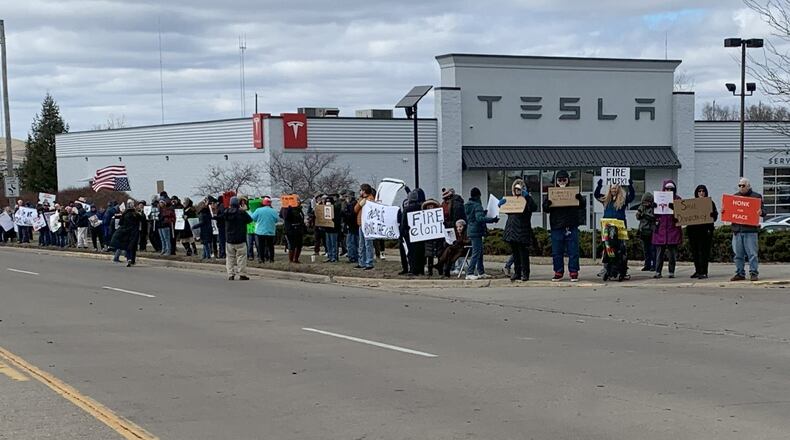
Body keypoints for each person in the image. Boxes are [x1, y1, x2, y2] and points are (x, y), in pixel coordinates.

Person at [542, 170, 584, 282]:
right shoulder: (552, 193)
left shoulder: (573, 192)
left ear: (568, 180)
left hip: (571, 225)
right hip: (557, 226)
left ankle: (573, 272)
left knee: (573, 251)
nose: (562, 182)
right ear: (556, 181)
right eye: (559, 180)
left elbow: (582, 206)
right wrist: (547, 204)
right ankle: (558, 272)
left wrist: (580, 199)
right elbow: (545, 209)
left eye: (564, 179)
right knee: (557, 251)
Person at [723, 177, 766, 281]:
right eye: (739, 185)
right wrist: (724, 211)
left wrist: (761, 212)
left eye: (743, 185)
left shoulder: (756, 197)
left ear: (748, 186)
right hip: (737, 231)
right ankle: (740, 273)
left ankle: (753, 273)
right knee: (738, 255)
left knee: (752, 254)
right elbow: (730, 212)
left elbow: (764, 212)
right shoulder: (735, 197)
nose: (741, 187)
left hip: (750, 231)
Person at [595, 177, 635, 278]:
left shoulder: (623, 200)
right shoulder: (606, 200)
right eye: (612, 188)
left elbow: (632, 197)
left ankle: (622, 269)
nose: (614, 190)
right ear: (609, 189)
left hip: (619, 228)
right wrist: (599, 185)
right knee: (607, 248)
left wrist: (630, 186)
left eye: (616, 188)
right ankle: (606, 268)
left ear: (619, 188)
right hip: (607, 227)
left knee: (621, 248)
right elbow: (596, 195)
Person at [504, 179, 538, 282]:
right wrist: (501, 205)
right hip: (512, 230)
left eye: (520, 189)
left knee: (523, 254)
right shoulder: (511, 200)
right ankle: (517, 273)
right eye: (516, 189)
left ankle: (525, 273)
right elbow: (507, 211)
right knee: (515, 254)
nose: (517, 191)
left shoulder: (527, 200)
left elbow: (533, 207)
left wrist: (527, 197)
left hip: (522, 229)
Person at [464, 187, 499, 280]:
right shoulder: (477, 205)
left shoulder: (468, 205)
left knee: (479, 252)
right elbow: (479, 219)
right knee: (476, 252)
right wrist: (492, 220)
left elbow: (473, 216)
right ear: (478, 196)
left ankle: (481, 272)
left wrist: (483, 212)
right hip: (477, 231)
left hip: (471, 230)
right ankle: (470, 272)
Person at [687, 185, 718, 279]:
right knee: (695, 252)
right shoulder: (692, 204)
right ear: (696, 193)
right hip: (693, 232)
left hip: (705, 232)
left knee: (704, 252)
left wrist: (712, 215)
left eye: (703, 191)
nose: (701, 193)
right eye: (699, 191)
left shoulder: (710, 203)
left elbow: (715, 216)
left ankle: (704, 271)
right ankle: (697, 271)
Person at [653, 180, 682, 279]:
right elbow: (653, 216)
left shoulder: (678, 199)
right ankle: (658, 271)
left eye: (671, 189)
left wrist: (675, 209)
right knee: (659, 253)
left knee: (672, 254)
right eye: (667, 189)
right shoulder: (658, 199)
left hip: (673, 230)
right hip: (661, 230)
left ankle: (671, 271)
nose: (669, 190)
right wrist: (653, 208)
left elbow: (681, 216)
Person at [220, 196, 253, 280]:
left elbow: (220, 219)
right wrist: (244, 210)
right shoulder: (242, 213)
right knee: (241, 257)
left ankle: (230, 274)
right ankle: (242, 274)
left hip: (229, 239)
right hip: (240, 239)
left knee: (230, 257)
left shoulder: (226, 212)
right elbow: (250, 220)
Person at [110, 200, 144, 267]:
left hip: (126, 232)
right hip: (134, 232)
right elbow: (142, 219)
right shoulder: (136, 214)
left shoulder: (125, 214)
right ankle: (132, 260)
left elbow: (120, 223)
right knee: (133, 246)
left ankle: (129, 259)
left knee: (127, 245)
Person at [403, 188, 427, 276]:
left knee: (412, 253)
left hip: (410, 234)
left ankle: (414, 270)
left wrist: (402, 233)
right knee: (420, 252)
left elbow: (404, 223)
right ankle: (421, 270)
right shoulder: (422, 208)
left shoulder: (407, 209)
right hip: (421, 233)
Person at [354, 184, 376, 270]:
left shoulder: (370, 199)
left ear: (364, 191)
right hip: (361, 224)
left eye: (361, 190)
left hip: (367, 225)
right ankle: (361, 262)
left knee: (368, 244)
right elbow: (355, 209)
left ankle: (369, 262)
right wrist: (360, 204)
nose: (360, 192)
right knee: (361, 244)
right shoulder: (361, 199)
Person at [250, 197, 279, 263]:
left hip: (260, 231)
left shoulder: (258, 210)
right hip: (270, 231)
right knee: (270, 246)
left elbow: (252, 218)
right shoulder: (273, 211)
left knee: (261, 246)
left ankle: (261, 259)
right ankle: (271, 259)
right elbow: (277, 220)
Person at [422, 199, 445, 277]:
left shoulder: (439, 215)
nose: (430, 207)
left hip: (438, 239)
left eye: (431, 206)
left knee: (439, 255)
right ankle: (430, 270)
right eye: (428, 206)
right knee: (429, 256)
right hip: (428, 239)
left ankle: (440, 270)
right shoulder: (423, 216)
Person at [635, 192, 656, 271]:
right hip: (643, 230)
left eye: (647, 202)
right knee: (646, 250)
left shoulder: (654, 208)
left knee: (653, 249)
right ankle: (647, 264)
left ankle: (654, 265)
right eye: (644, 202)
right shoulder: (641, 207)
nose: (646, 204)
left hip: (651, 230)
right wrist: (639, 214)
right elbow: (638, 217)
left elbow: (653, 217)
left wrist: (645, 215)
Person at [282, 196, 306, 263]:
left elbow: (301, 218)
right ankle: (291, 260)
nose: (298, 202)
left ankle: (296, 259)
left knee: (299, 245)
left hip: (299, 229)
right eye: (296, 201)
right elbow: (285, 217)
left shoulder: (299, 209)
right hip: (291, 229)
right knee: (292, 245)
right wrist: (290, 207)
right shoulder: (286, 209)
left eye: (298, 201)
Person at [341, 191, 358, 264]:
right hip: (352, 225)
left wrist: (344, 213)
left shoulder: (352, 204)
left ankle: (352, 257)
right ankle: (353, 256)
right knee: (351, 242)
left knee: (351, 242)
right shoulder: (353, 204)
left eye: (347, 196)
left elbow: (351, 215)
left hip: (352, 225)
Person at [324, 196, 342, 263]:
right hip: (327, 229)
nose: (328, 203)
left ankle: (334, 257)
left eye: (329, 201)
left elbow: (338, 219)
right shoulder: (324, 209)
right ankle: (330, 256)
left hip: (334, 229)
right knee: (328, 243)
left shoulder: (336, 209)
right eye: (326, 201)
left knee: (334, 243)